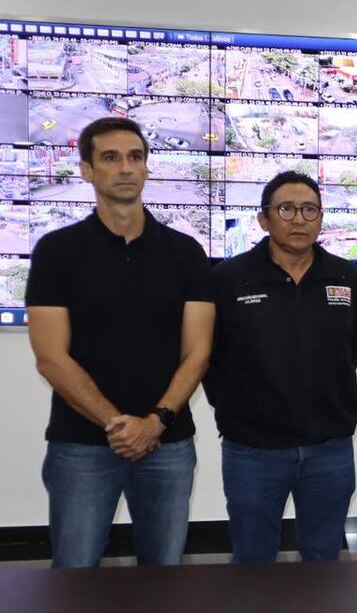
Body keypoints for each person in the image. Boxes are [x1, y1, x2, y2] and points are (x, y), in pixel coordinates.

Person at [25, 117, 215, 567]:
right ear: (87, 170)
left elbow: (198, 352)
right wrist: (118, 425)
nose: (126, 168)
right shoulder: (56, 251)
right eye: (110, 158)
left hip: (168, 443)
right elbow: (50, 357)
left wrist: (155, 422)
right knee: (75, 576)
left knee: (163, 576)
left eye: (135, 157)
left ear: (147, 167)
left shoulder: (185, 252)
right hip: (82, 445)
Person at [204, 171, 357, 563]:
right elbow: (209, 357)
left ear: (321, 218)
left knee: (323, 561)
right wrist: (240, 410)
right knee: (253, 562)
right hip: (253, 451)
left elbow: (349, 350)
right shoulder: (228, 278)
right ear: (263, 219)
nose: (299, 219)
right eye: (286, 209)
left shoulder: (346, 277)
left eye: (310, 210)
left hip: (329, 449)